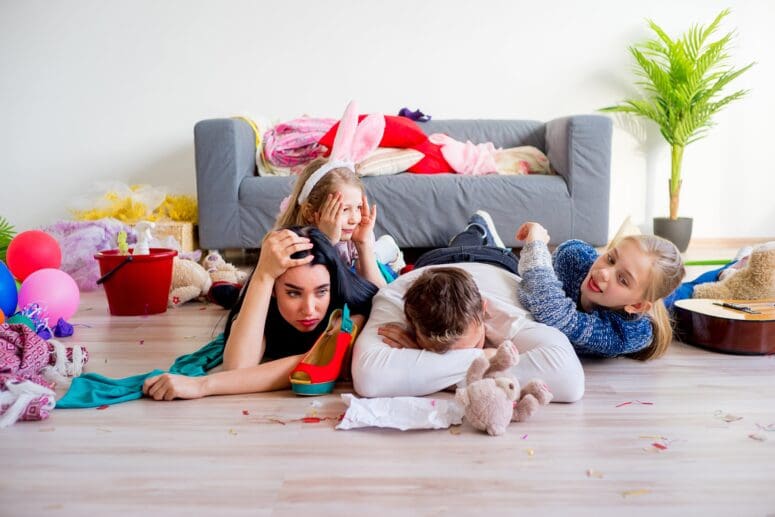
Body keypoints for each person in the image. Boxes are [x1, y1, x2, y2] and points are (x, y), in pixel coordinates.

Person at [352, 211, 585, 402]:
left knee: (471, 238)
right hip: (433, 264)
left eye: (474, 344)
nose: (467, 353)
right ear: (411, 324)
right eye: (435, 351)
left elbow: (571, 381)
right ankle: (471, 232)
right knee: (457, 245)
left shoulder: (505, 314)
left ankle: (479, 227)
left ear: (484, 310)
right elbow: (368, 379)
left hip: (496, 263)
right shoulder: (393, 297)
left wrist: (421, 358)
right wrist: (485, 356)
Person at [142, 227, 378, 400]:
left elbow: (311, 359)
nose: (309, 309)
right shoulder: (266, 297)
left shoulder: (353, 309)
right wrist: (264, 275)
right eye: (294, 293)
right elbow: (237, 367)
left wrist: (202, 385)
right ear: (274, 291)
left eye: (321, 292)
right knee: (232, 293)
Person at [516, 222, 685, 360]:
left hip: (643, 311)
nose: (603, 273)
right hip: (629, 297)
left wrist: (536, 245)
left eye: (623, 279)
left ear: (637, 305)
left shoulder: (627, 333)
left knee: (683, 297)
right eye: (610, 259)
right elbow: (532, 290)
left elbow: (552, 312)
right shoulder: (573, 257)